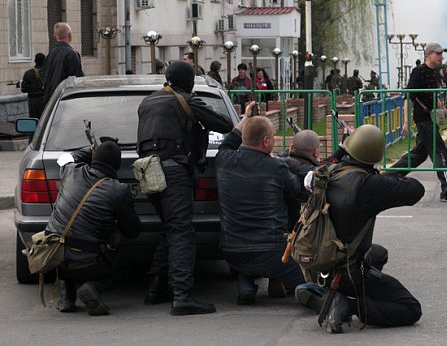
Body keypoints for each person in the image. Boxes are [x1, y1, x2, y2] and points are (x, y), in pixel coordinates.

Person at [296, 125, 425, 333]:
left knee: (379, 253)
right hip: (347, 268)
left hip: (320, 259)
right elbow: (415, 189)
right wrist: (383, 179)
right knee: (410, 309)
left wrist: (380, 180)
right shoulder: (369, 186)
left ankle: (324, 292)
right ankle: (347, 304)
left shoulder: (328, 172)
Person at [137, 60, 234, 316]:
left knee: (169, 228)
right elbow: (225, 124)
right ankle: (182, 296)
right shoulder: (187, 101)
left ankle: (155, 288)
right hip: (173, 171)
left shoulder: (147, 102)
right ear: (189, 82)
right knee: (181, 232)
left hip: (148, 172)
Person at [215, 102, 305, 305]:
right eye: (273, 137)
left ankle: (246, 285)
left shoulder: (224, 160)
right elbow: (295, 191)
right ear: (266, 141)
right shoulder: (277, 167)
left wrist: (245, 118)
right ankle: (283, 280)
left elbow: (229, 141)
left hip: (231, 250)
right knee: (310, 284)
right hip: (271, 251)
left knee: (246, 257)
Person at [46, 141, 141, 316]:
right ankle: (92, 286)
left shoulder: (71, 171)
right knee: (124, 264)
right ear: (117, 165)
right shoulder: (118, 189)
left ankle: (67, 295)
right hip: (90, 263)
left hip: (54, 257)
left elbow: (66, 157)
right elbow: (133, 231)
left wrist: (91, 149)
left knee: (68, 242)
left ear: (93, 158)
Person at [388, 42, 447, 203]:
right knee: (442, 154)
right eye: (438, 54)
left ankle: (387, 178)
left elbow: (436, 100)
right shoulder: (418, 71)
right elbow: (408, 97)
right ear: (428, 54)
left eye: (441, 54)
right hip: (424, 119)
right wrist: (406, 122)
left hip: (430, 118)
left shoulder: (433, 72)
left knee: (419, 155)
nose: (441, 57)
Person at [277, 129, 321, 228]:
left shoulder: (277, 166)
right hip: (304, 230)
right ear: (316, 152)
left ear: (291, 148)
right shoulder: (316, 176)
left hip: (279, 227)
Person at [43, 22, 84, 103]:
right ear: (70, 35)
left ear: (55, 36)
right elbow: (77, 80)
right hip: (65, 100)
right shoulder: (71, 54)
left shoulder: (50, 54)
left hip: (50, 100)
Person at [20, 52, 47, 119]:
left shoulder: (28, 73)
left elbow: (23, 89)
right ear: (45, 61)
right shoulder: (48, 72)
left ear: (35, 61)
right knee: (44, 119)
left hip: (32, 101)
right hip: (45, 100)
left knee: (33, 120)